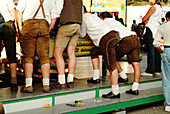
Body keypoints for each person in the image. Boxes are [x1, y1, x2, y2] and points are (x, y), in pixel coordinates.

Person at [16, 0, 58, 93]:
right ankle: (46, 85)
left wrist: (20, 26)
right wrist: (48, 29)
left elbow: (18, 11)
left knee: (28, 57)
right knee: (44, 57)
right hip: (44, 25)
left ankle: (28, 85)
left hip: (29, 25)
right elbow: (54, 18)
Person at [80, 7, 120, 99]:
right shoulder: (93, 16)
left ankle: (115, 92)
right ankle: (96, 77)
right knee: (94, 51)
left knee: (111, 65)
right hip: (113, 35)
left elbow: (82, 34)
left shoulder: (83, 18)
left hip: (106, 39)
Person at [100, 12, 141, 95]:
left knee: (111, 57)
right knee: (136, 63)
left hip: (126, 40)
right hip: (135, 38)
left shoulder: (105, 22)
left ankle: (123, 77)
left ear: (102, 17)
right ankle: (135, 88)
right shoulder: (116, 21)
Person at [54, 0, 82, 88]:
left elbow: (58, 11)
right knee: (71, 52)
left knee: (57, 53)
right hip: (77, 25)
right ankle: (70, 80)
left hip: (66, 24)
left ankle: (61, 81)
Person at [153, 11, 170, 112]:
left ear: (167, 18)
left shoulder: (162, 27)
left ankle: (168, 104)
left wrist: (162, 51)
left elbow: (155, 43)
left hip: (167, 51)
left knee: (167, 78)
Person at [0, 0, 18, 91]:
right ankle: (14, 83)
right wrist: (15, 26)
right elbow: (12, 11)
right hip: (8, 25)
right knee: (12, 55)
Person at [142, 0, 162, 76]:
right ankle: (157, 69)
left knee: (150, 49)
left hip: (150, 28)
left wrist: (147, 20)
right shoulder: (160, 7)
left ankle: (150, 70)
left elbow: (144, 19)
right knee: (156, 49)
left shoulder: (153, 8)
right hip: (156, 29)